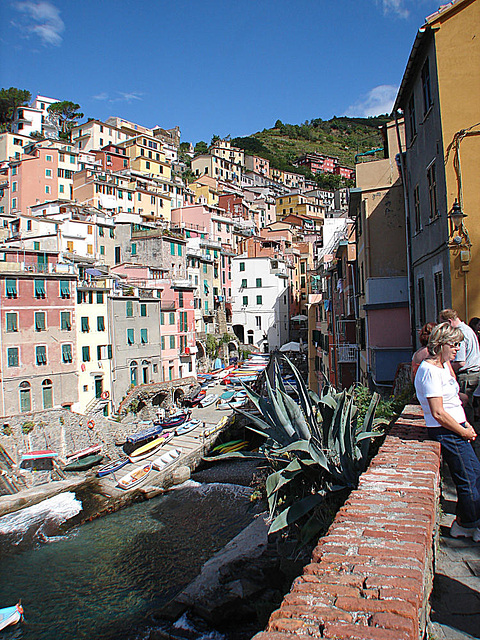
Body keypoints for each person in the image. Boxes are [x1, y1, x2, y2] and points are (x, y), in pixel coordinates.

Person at [414, 322, 480, 541]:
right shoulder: (430, 371)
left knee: (473, 474)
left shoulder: (441, 366)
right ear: (440, 344)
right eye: (454, 344)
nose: (458, 349)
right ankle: (467, 524)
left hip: (456, 428)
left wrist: (464, 422)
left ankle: (466, 521)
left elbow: (450, 400)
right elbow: (438, 413)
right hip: (448, 431)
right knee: (468, 478)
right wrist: (463, 432)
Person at [438, 308, 480, 424]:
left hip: (466, 376)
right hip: (474, 373)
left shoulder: (460, 333)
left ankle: (468, 433)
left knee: (464, 406)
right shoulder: (468, 329)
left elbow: (460, 362)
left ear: (450, 321)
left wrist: (445, 368)